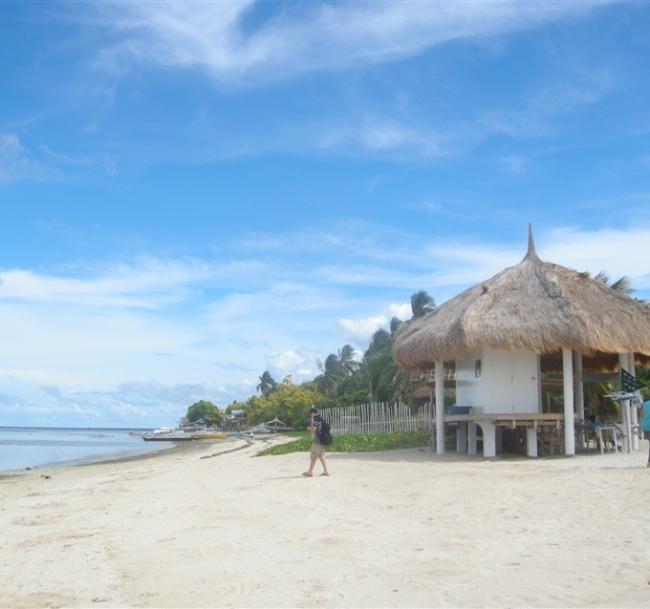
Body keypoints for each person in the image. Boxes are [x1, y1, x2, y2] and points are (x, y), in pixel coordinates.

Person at [302, 407, 329, 477]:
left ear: (312, 413)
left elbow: (313, 429)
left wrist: (309, 427)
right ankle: (326, 471)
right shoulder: (321, 419)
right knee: (321, 456)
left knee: (313, 456)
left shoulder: (315, 419)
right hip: (323, 441)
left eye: (310, 414)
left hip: (317, 441)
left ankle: (310, 472)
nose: (310, 416)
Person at [641, 399, 650, 468]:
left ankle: (649, 463)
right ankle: (649, 463)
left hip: (644, 426)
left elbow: (641, 415)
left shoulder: (645, 403)